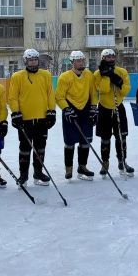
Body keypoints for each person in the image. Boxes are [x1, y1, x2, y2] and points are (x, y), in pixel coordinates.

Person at [8, 49, 56, 186]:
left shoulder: (46, 74)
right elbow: (13, 97)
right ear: (25, 61)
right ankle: (23, 175)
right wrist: (16, 113)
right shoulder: (17, 76)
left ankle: (38, 172)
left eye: (35, 59)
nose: (33, 62)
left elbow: (50, 94)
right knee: (25, 148)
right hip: (25, 119)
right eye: (30, 60)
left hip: (42, 118)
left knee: (40, 147)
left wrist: (51, 111)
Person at [56, 50, 98, 181]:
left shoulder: (89, 75)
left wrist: (93, 108)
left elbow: (93, 93)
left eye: (82, 60)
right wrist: (66, 109)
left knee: (85, 141)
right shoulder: (65, 76)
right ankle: (69, 168)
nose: (81, 63)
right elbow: (59, 97)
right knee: (69, 142)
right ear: (72, 62)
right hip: (71, 110)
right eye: (78, 60)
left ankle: (82, 167)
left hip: (85, 110)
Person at [94, 48, 134, 176]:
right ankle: (105, 163)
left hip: (118, 107)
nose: (111, 59)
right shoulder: (97, 74)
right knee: (105, 138)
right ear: (103, 59)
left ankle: (122, 161)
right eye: (107, 57)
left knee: (121, 136)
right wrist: (107, 76)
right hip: (104, 108)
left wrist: (118, 81)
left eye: (112, 57)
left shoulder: (122, 71)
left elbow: (125, 90)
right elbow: (103, 90)